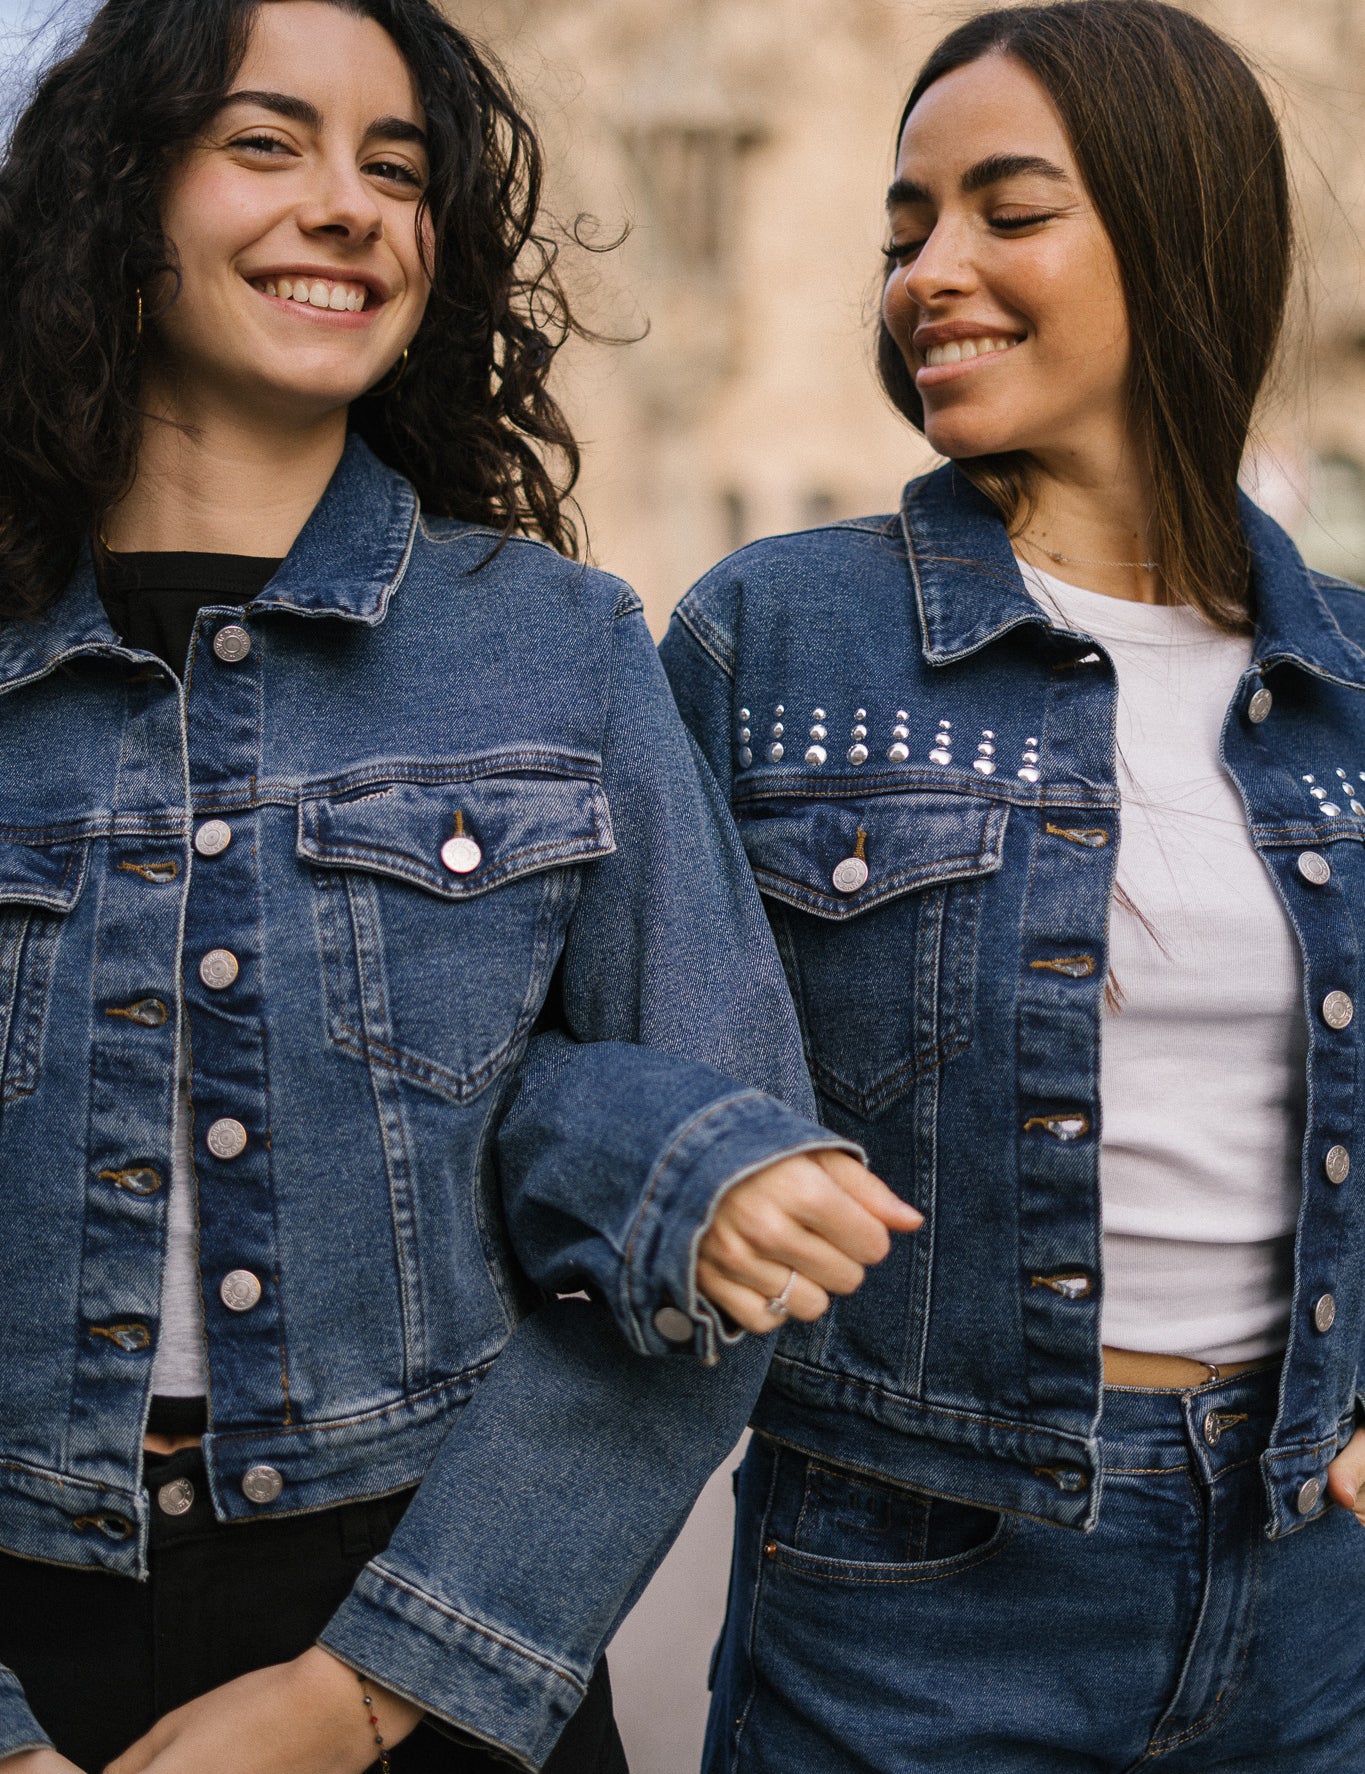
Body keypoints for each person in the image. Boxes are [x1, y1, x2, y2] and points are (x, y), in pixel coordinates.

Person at [0, 2, 918, 1769]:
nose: (347, 203)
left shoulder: (558, 650)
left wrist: (368, 1692)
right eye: (266, 145)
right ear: (119, 200)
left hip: (428, 1623)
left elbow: (740, 1233)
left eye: (397, 168)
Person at [660, 4, 1365, 1767]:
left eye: (1006, 209)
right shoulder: (774, 628)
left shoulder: (1351, 674)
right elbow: (578, 1047)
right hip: (908, 1577)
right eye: (904, 230)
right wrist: (693, 1171)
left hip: (1310, 1589)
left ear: (1178, 227)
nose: (929, 272)